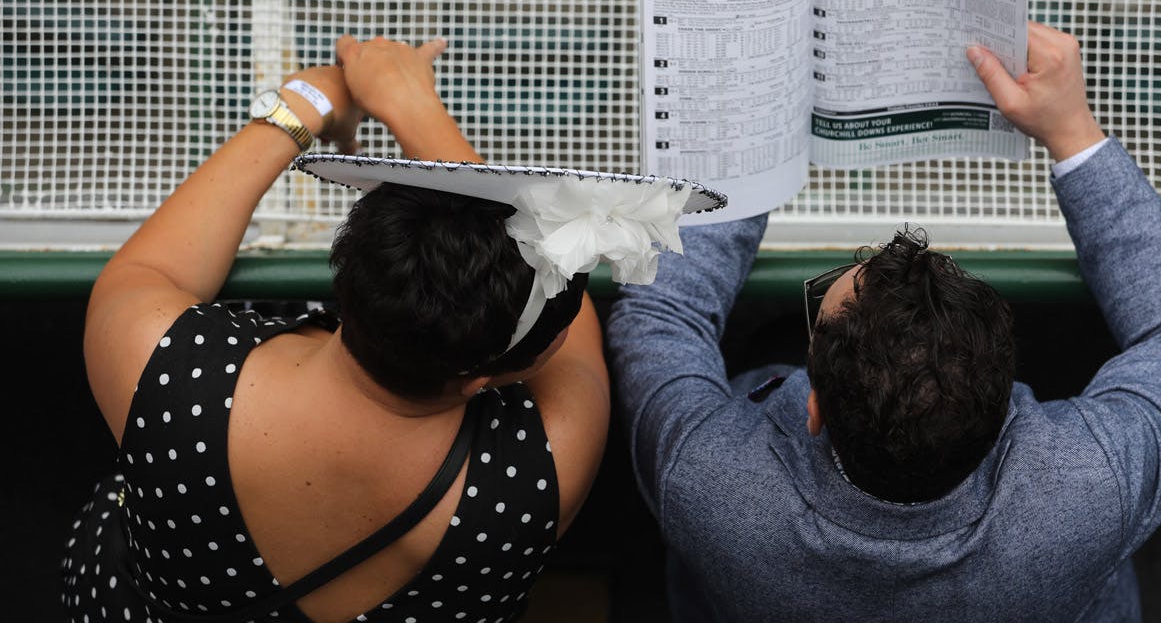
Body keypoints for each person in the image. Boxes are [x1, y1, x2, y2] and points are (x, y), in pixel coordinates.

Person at [61, 36, 718, 623]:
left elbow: (151, 266)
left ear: (349, 275)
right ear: (487, 377)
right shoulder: (546, 468)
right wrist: (417, 113)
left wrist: (315, 98)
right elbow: (568, 334)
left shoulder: (164, 371)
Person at [606, 22, 1161, 622]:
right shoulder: (1087, 487)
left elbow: (661, 315)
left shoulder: (708, 483)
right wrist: (1073, 133)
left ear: (815, 407)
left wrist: (755, 139)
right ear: (1007, 407)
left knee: (762, 350)